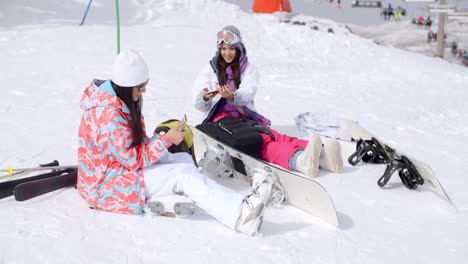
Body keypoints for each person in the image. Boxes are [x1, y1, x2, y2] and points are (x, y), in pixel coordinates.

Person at [77, 49, 276, 236]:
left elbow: (132, 147)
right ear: (126, 86)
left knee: (181, 158)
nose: (143, 92)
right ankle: (241, 215)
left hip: (116, 173)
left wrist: (164, 140)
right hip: (107, 186)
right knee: (183, 174)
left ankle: (184, 194)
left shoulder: (118, 102)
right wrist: (165, 140)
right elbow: (131, 159)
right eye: (140, 88)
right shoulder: (109, 115)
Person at [192, 25, 343, 178]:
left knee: (273, 135)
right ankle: (299, 160)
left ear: (238, 48)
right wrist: (204, 97)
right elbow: (198, 102)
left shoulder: (247, 68)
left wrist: (232, 96)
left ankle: (324, 157)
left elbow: (247, 93)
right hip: (219, 120)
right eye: (223, 49)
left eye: (231, 48)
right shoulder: (210, 69)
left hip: (244, 117)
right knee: (264, 142)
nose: (227, 53)